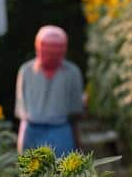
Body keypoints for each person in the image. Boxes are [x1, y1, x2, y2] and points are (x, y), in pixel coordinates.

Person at [15, 25, 84, 156]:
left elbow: (75, 113)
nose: (51, 55)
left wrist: (77, 144)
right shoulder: (26, 71)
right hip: (32, 130)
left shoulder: (72, 72)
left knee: (62, 173)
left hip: (61, 130)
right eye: (47, 49)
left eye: (55, 50)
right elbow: (22, 110)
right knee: (33, 173)